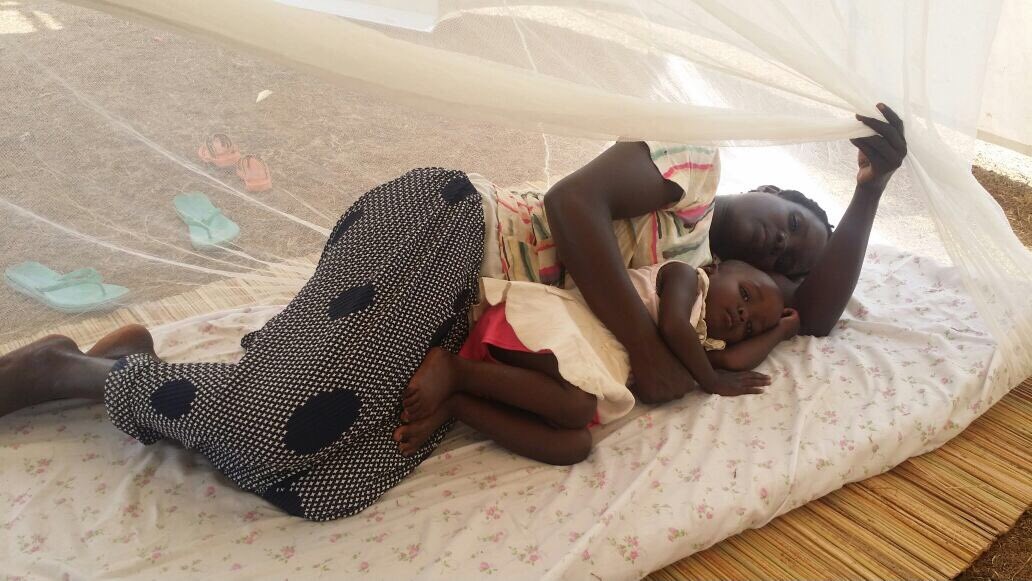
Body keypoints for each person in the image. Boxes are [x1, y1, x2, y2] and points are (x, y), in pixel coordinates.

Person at [0, 105, 905, 520]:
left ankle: (129, 367)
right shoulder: (692, 171)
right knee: (284, 430)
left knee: (322, 482)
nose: (784, 254)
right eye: (792, 225)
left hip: (456, 320)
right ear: (770, 190)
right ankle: (69, 371)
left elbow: (816, 316)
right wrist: (651, 356)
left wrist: (870, 193)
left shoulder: (700, 280)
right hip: (446, 229)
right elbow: (570, 203)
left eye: (787, 267)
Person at [393, 259, 800, 465]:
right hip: (551, 328)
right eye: (745, 296)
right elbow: (674, 325)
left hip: (567, 372)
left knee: (574, 446)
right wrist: (710, 380)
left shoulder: (703, 343)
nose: (743, 316)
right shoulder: (686, 280)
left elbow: (732, 360)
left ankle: (459, 404)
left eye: (750, 326)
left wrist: (779, 331)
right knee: (578, 406)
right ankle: (455, 368)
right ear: (716, 268)